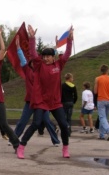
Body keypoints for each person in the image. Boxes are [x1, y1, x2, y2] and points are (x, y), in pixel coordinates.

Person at [17, 25, 73, 159]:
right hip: (41, 101)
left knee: (64, 125)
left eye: (49, 56)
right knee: (36, 123)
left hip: (55, 102)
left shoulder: (58, 65)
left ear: (53, 57)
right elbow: (33, 53)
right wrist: (32, 38)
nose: (46, 58)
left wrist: (70, 40)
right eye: (45, 56)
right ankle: (21, 146)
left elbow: (67, 54)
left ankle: (65, 148)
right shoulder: (38, 65)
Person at [13, 35, 60, 146]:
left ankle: (56, 140)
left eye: (37, 61)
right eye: (33, 62)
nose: (35, 63)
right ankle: (14, 138)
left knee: (47, 122)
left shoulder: (44, 70)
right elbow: (22, 58)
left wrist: (56, 47)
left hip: (42, 102)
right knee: (23, 121)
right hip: (30, 101)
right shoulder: (27, 70)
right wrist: (18, 47)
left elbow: (52, 59)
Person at [94, 64, 109, 141]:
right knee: (104, 118)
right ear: (107, 70)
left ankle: (108, 130)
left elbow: (95, 91)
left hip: (101, 100)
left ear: (101, 71)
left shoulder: (98, 79)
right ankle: (101, 135)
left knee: (102, 117)